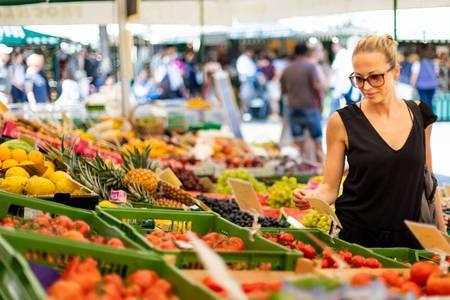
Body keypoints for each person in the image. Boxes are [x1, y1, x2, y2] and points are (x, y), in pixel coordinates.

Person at [293, 34, 446, 248]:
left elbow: (428, 180)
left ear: (395, 72)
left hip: (410, 238)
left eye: (375, 77)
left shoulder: (420, 114)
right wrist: (310, 198)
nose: (366, 86)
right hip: (357, 238)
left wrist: (441, 235)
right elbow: (329, 188)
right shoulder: (341, 121)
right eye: (359, 78)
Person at [280, 42, 324, 163]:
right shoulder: (311, 67)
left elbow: (283, 91)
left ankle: (303, 168)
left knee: (299, 147)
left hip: (293, 108)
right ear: (306, 53)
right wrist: (321, 102)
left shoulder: (287, 69)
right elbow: (317, 86)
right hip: (310, 107)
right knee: (317, 143)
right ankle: (322, 171)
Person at [236, 46, 257, 114]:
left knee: (249, 96)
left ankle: (247, 111)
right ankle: (244, 111)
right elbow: (242, 70)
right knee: (244, 96)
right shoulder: (242, 59)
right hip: (246, 80)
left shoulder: (248, 59)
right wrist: (249, 76)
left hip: (250, 80)